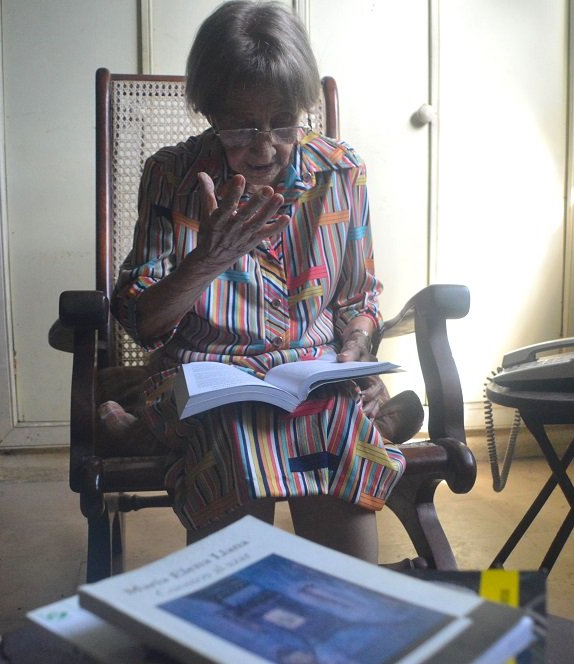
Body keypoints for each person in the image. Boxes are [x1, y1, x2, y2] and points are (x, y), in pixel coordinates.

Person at [108, 0, 422, 562]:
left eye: (283, 121)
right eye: (240, 125)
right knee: (232, 425)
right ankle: (235, 622)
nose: (264, 146)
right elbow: (141, 321)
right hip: (205, 372)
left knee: (335, 418)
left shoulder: (341, 172)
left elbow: (360, 297)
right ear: (206, 110)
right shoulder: (173, 177)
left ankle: (343, 612)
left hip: (312, 374)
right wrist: (205, 261)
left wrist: (358, 341)